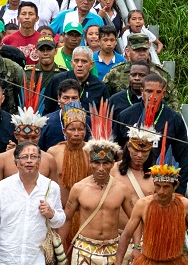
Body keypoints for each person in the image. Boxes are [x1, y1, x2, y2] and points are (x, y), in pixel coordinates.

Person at [59, 107, 134, 265]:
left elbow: (135, 218)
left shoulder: (121, 189)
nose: (101, 168)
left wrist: (138, 245)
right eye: (96, 163)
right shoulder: (79, 188)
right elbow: (67, 219)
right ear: (90, 163)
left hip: (112, 249)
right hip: (84, 250)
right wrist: (59, 248)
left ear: (112, 163)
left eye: (105, 163)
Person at [115, 144, 188, 265]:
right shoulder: (143, 204)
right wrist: (118, 262)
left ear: (175, 186)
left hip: (175, 261)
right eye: (158, 186)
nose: (161, 191)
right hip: (148, 261)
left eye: (166, 187)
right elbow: (126, 235)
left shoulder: (184, 204)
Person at [0, 141, 66, 265]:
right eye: (24, 157)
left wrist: (51, 214)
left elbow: (60, 220)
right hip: (4, 258)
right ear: (16, 162)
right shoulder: (3, 187)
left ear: (39, 161)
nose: (29, 161)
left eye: (33, 157)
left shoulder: (51, 187)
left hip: (35, 258)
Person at [114, 74, 188, 195]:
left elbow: (183, 159)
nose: (153, 96)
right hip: (129, 181)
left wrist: (179, 193)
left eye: (157, 92)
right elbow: (116, 149)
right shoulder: (126, 116)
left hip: (162, 186)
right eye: (149, 91)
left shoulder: (174, 120)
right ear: (142, 91)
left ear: (163, 93)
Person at [0, 86, 58, 184]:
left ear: (40, 136)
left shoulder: (49, 160)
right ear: (16, 135)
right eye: (25, 137)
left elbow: (52, 192)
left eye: (34, 137)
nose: (30, 141)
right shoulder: (2, 160)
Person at [46, 103, 90, 247]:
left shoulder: (93, 152)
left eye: (80, 129)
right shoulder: (53, 152)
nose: (76, 133)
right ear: (64, 131)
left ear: (86, 130)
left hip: (87, 216)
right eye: (72, 129)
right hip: (60, 215)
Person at [102, 34, 179, 109]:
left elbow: (173, 100)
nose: (142, 54)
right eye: (137, 50)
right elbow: (103, 97)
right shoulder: (116, 72)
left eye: (144, 50)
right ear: (127, 51)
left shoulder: (160, 73)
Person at [44, 46, 109, 115]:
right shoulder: (57, 80)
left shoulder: (100, 87)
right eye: (76, 61)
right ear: (72, 63)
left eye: (84, 61)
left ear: (91, 65)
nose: (79, 65)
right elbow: (47, 108)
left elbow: (104, 116)